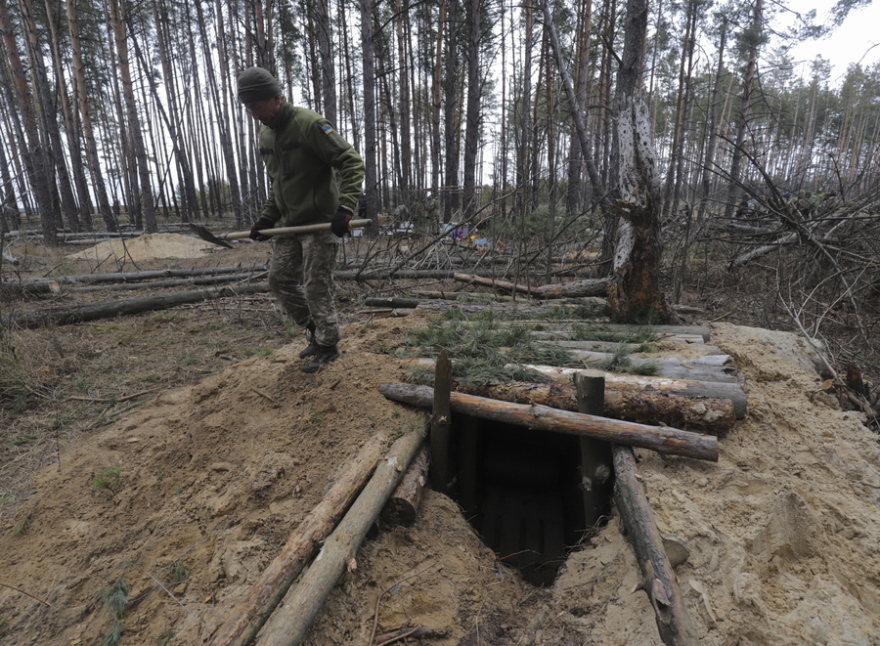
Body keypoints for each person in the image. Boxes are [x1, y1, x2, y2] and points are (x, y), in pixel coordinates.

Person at [237, 66, 365, 373]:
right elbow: (278, 182)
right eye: (248, 108)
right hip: (290, 224)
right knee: (279, 280)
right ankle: (314, 331)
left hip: (320, 223)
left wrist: (345, 208)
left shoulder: (309, 124)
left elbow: (351, 162)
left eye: (257, 106)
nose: (254, 114)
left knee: (316, 286)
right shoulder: (266, 134)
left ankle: (328, 346)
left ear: (276, 98)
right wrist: (267, 219)